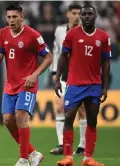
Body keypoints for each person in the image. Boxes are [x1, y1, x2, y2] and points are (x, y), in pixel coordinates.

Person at [0, 3, 53, 166]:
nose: (11, 20)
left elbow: (49, 57)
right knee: (8, 120)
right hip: (10, 84)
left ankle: (24, 159)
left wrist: (35, 74)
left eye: (14, 17)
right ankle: (33, 153)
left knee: (20, 116)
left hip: (27, 84)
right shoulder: (3, 33)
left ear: (21, 17)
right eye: (8, 17)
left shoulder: (33, 35)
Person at [55, 4, 111, 166]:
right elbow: (63, 56)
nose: (86, 16)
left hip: (94, 85)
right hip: (74, 85)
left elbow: (106, 63)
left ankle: (88, 158)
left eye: (89, 14)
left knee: (92, 121)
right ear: (80, 17)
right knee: (68, 118)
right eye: (83, 14)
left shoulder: (103, 37)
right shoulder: (71, 34)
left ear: (95, 17)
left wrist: (105, 86)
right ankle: (68, 157)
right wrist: (58, 79)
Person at [50, 4, 86, 155]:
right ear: (68, 14)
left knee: (82, 110)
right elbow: (56, 51)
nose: (77, 16)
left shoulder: (86, 31)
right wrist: (54, 72)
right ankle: (61, 144)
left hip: (81, 76)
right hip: (64, 75)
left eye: (79, 13)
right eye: (74, 13)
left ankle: (82, 146)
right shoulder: (59, 31)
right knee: (59, 108)